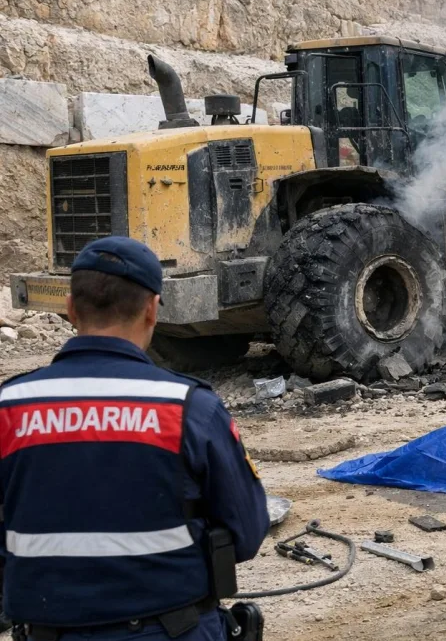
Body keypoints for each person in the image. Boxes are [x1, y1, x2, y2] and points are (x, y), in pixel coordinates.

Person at [0, 236, 269, 641]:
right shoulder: (190, 408)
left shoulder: (10, 406)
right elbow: (246, 533)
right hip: (172, 630)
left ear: (70, 308)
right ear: (152, 309)